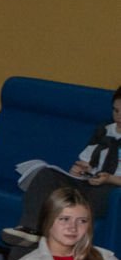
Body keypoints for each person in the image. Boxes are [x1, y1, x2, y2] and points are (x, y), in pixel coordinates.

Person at [12, 86, 121, 239]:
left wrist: (109, 179)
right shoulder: (104, 130)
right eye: (115, 110)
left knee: (96, 194)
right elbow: (86, 161)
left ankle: (58, 234)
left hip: (111, 189)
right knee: (46, 174)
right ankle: (30, 230)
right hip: (89, 182)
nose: (118, 116)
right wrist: (80, 170)